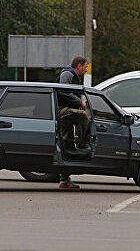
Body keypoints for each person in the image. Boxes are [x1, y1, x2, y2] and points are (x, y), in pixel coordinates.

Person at [57, 56, 91, 189]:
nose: (87, 69)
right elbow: (64, 91)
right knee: (83, 116)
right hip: (62, 111)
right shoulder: (67, 74)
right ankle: (83, 144)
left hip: (67, 114)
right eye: (86, 66)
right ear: (79, 66)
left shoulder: (74, 76)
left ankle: (64, 180)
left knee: (68, 145)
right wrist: (79, 103)